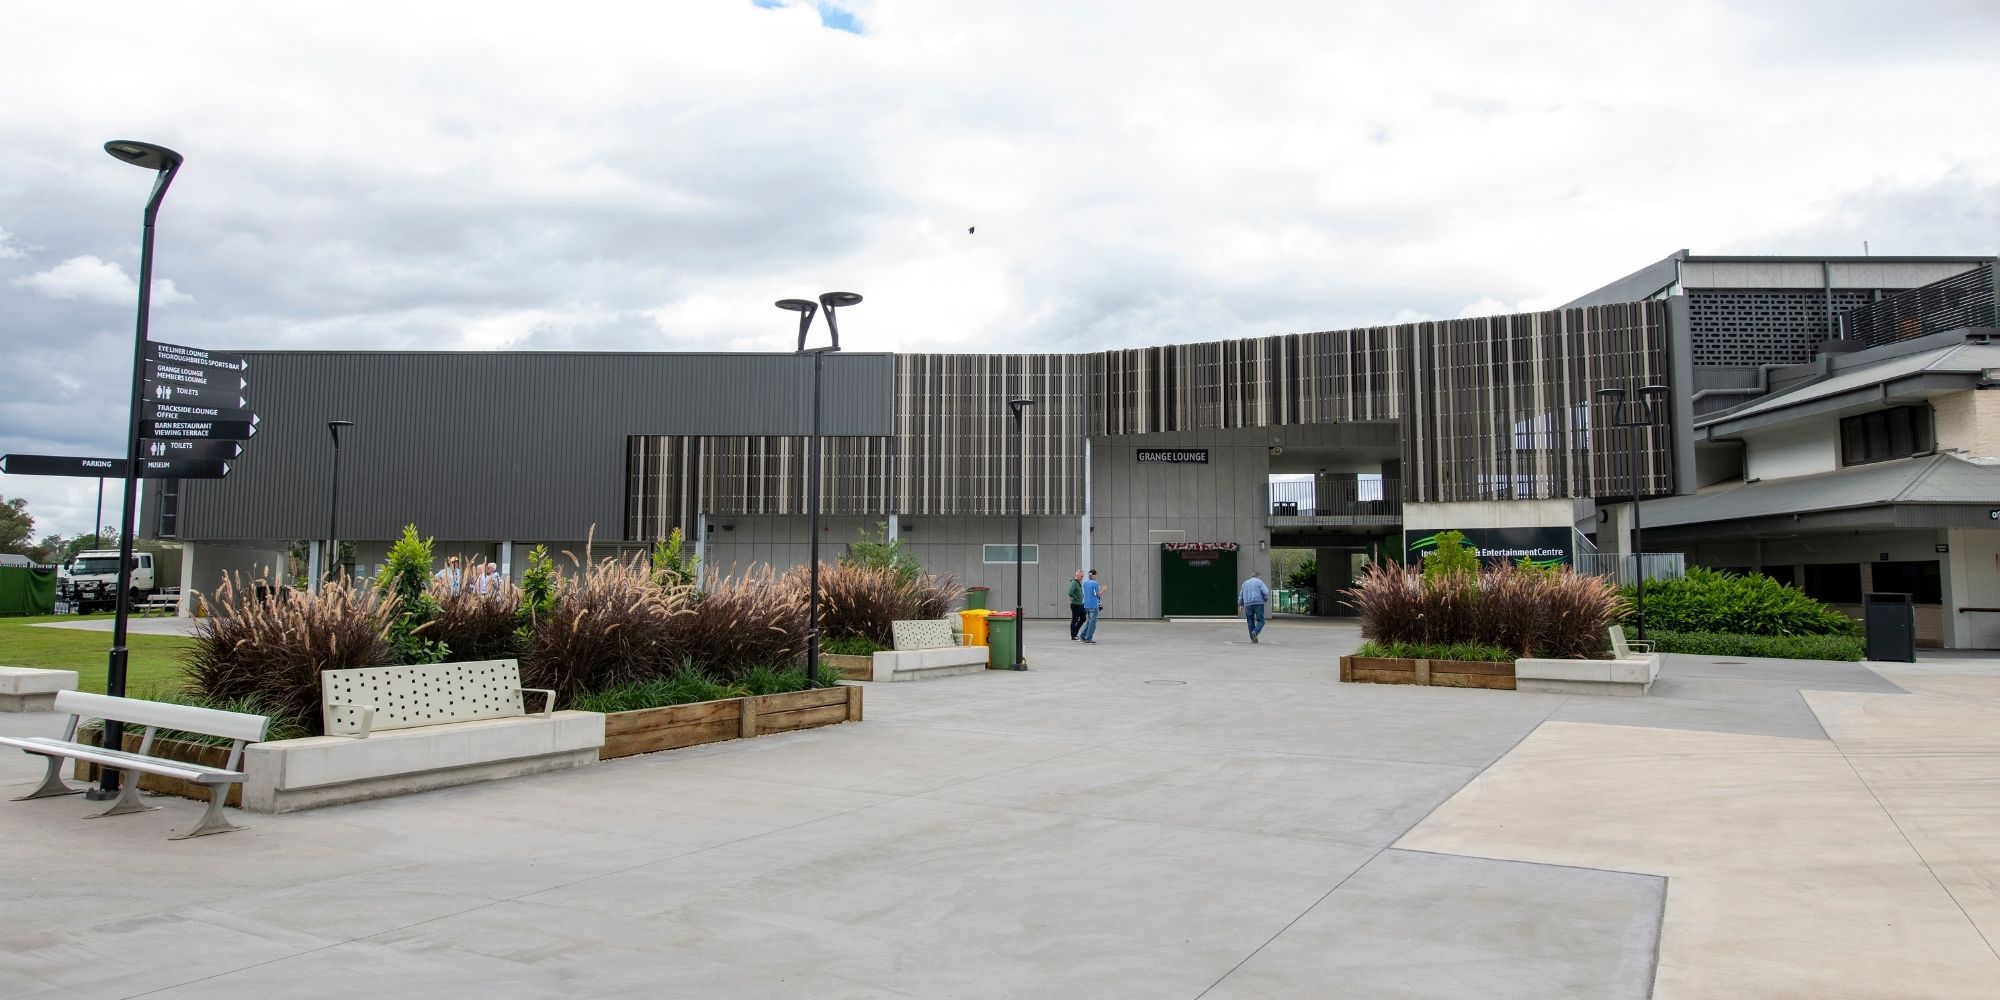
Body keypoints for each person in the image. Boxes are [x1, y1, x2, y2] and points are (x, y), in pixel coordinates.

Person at [1238, 571, 1272, 643]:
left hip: (1247, 604)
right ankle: (1255, 632)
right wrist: (1265, 599)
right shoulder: (1259, 582)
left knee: (1250, 621)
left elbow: (1241, 595)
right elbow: (1266, 592)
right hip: (1258, 603)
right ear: (1258, 576)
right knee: (1261, 621)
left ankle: (1253, 638)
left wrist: (1241, 604)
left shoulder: (1245, 583)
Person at [1079, 569, 1105, 644]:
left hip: (1086, 605)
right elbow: (1098, 595)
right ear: (1094, 575)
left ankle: (1083, 635)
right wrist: (1103, 590)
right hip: (1093, 605)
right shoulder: (1095, 584)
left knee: (1089, 622)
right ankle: (1088, 638)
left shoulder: (1085, 583)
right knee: (1092, 624)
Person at [1068, 570, 1086, 640]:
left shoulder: (1078, 582)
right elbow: (1070, 592)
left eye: (1082, 576)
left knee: (1083, 618)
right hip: (1075, 604)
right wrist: (1076, 597)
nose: (1082, 577)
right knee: (1075, 620)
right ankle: (1073, 636)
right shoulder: (1074, 583)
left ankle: (1075, 632)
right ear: (1077, 575)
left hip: (1080, 604)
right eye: (1081, 576)